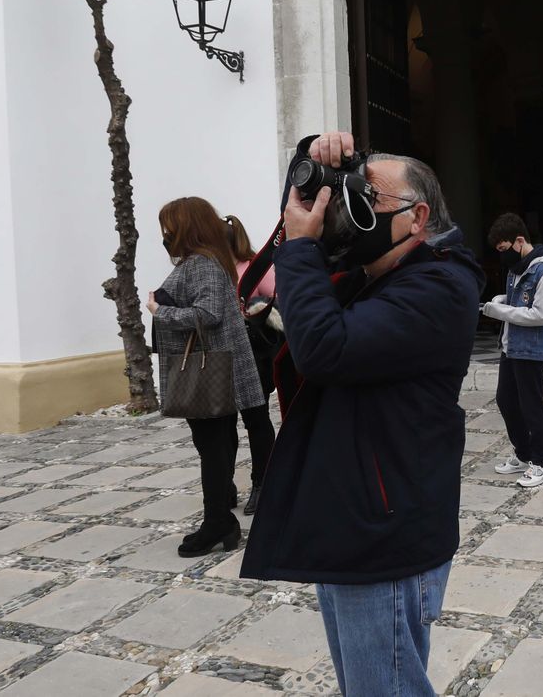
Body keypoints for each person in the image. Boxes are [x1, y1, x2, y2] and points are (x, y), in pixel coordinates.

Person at [241, 132, 483, 697]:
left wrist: (298, 250)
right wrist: (310, 161)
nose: (355, 211)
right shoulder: (369, 278)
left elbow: (324, 349)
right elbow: (306, 295)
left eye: (367, 199)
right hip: (350, 521)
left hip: (385, 533)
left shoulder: (440, 285)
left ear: (416, 217)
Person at [148, 197, 267, 558]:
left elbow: (208, 313)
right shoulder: (204, 262)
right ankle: (219, 523)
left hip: (210, 373)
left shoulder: (201, 264)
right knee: (213, 449)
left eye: (170, 227)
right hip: (213, 369)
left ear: (187, 228)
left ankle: (217, 524)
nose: (166, 234)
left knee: (212, 451)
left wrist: (159, 310)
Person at [480, 213, 543, 489]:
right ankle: (524, 454)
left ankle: (542, 463)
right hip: (510, 347)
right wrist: (503, 299)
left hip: (531, 349)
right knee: (506, 400)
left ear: (519, 241)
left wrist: (499, 310)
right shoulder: (517, 269)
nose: (503, 257)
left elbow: (542, 314)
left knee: (532, 406)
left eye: (504, 250)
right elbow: (520, 302)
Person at [224, 214, 280, 516]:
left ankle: (262, 483)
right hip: (223, 357)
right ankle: (225, 483)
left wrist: (255, 310)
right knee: (223, 426)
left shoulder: (256, 267)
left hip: (255, 356)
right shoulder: (214, 272)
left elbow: (280, 301)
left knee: (256, 421)